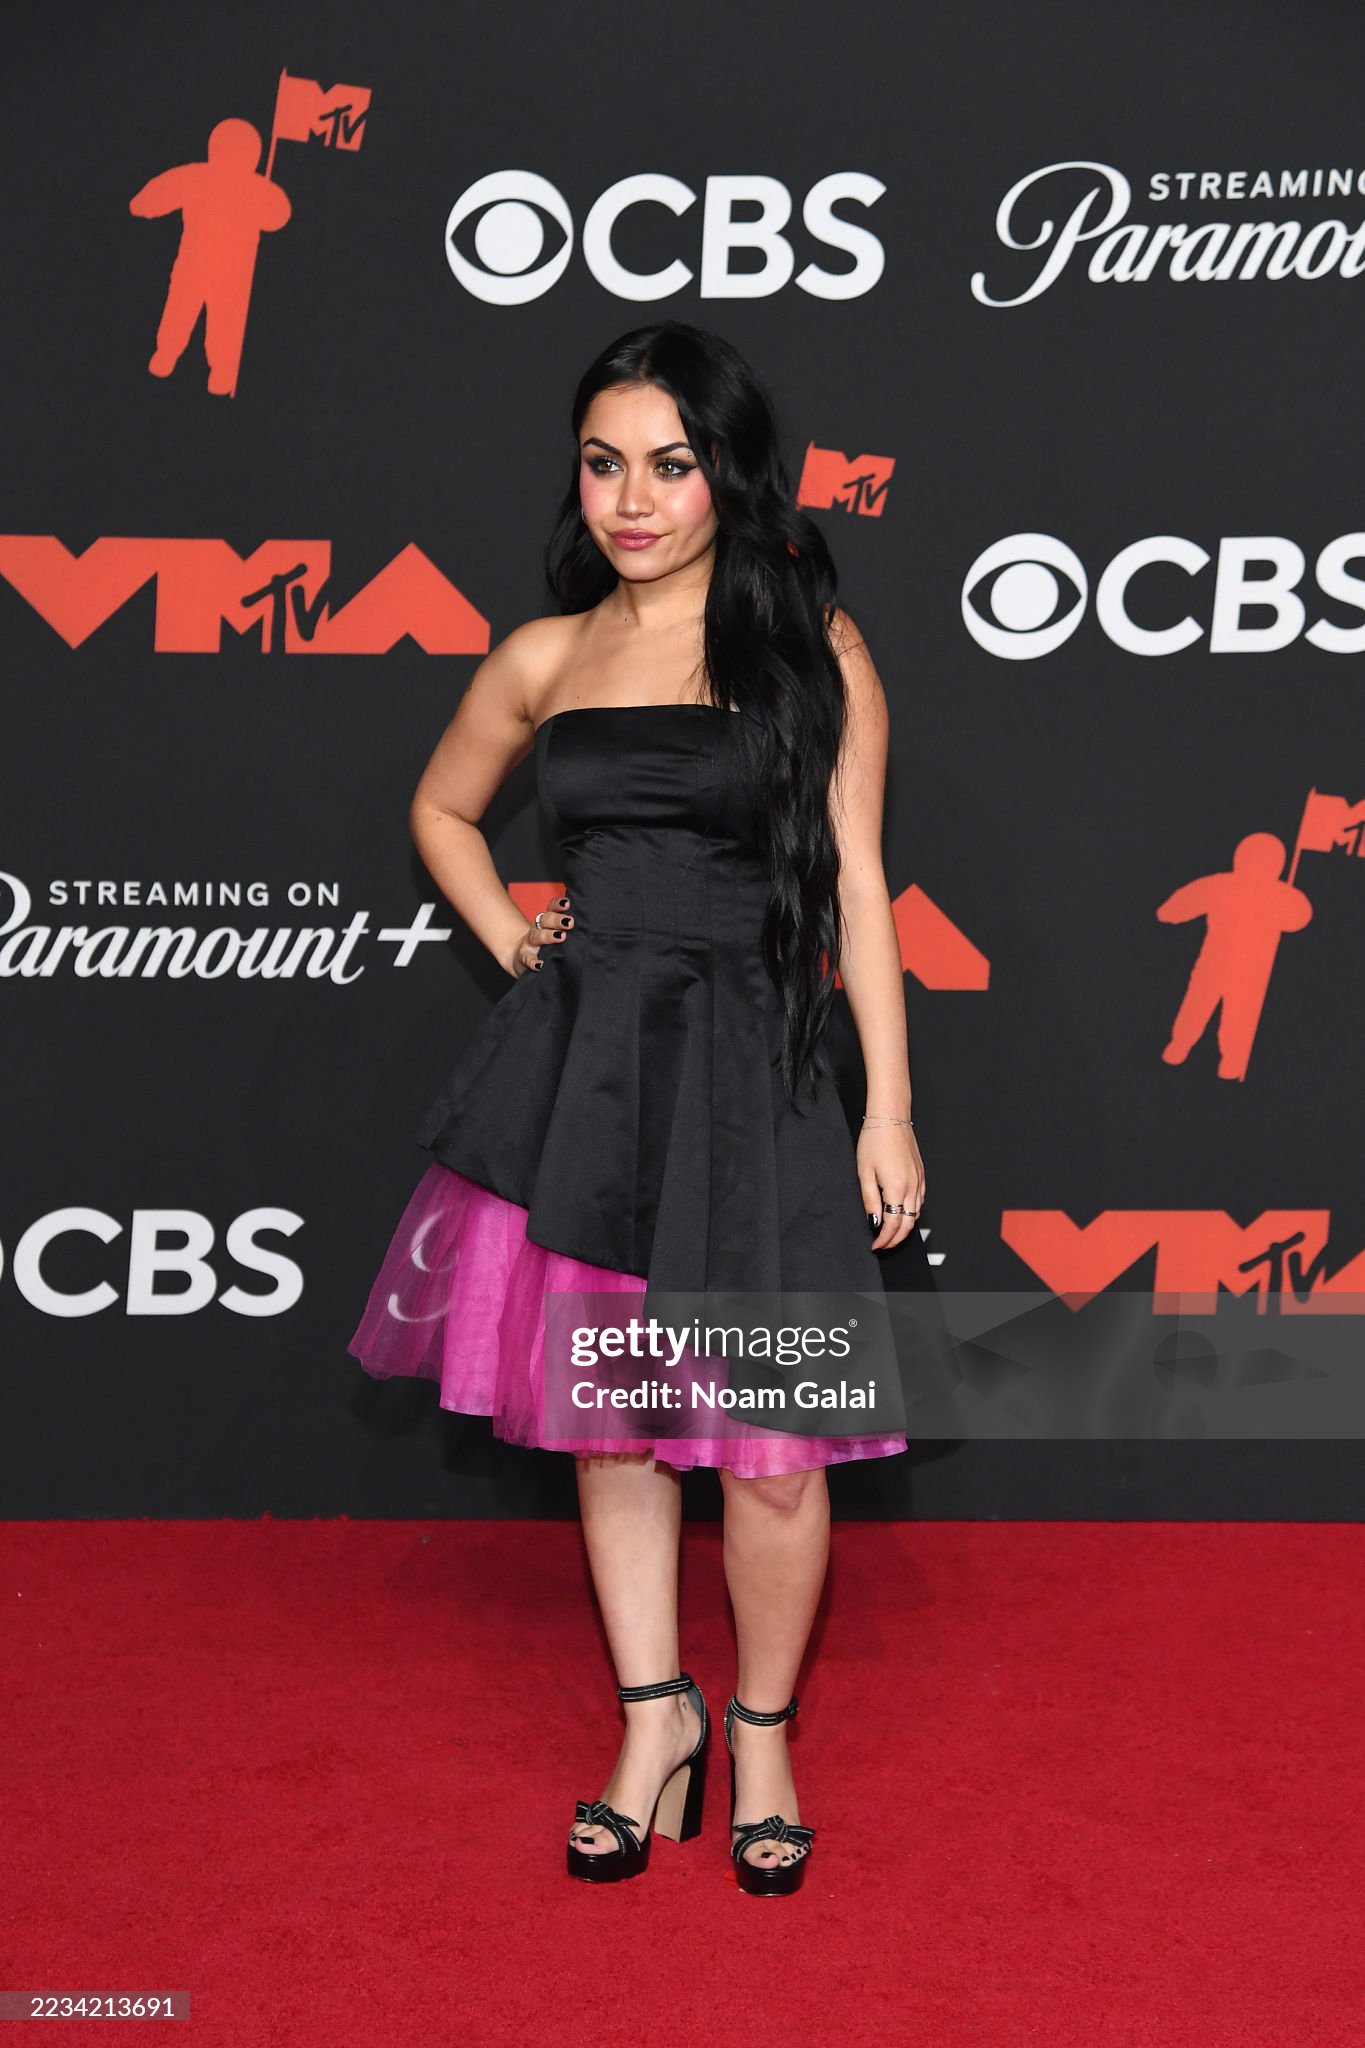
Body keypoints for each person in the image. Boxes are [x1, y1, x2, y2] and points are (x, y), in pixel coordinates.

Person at [347, 320, 927, 1895]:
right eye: (603, 464)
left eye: (669, 466)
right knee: (610, 1428)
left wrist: (885, 1110)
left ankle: (760, 1734)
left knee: (774, 1453)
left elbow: (858, 888)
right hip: (592, 1072)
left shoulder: (813, 646)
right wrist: (511, 931)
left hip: (760, 1072)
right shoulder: (545, 656)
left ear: (728, 474)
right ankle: (651, 1717)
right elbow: (442, 806)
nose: (631, 499)